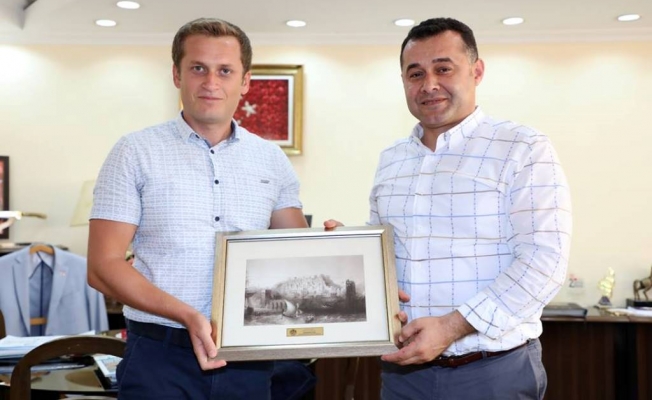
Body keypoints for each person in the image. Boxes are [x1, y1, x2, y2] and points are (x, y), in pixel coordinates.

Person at [329, 17, 572, 399]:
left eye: (443, 68)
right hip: (403, 376)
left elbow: (545, 261)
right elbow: (387, 257)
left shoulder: (523, 147)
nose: (429, 85)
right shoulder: (391, 159)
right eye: (415, 74)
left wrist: (452, 327)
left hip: (492, 374)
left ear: (477, 71)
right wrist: (348, 251)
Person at [87, 18, 310, 399]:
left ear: (245, 81)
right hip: (158, 356)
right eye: (198, 68)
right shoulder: (134, 152)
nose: (210, 82)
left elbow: (297, 251)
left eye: (225, 71)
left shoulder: (272, 160)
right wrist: (187, 315)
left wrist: (335, 243)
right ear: (177, 75)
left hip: (250, 359)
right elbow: (102, 267)